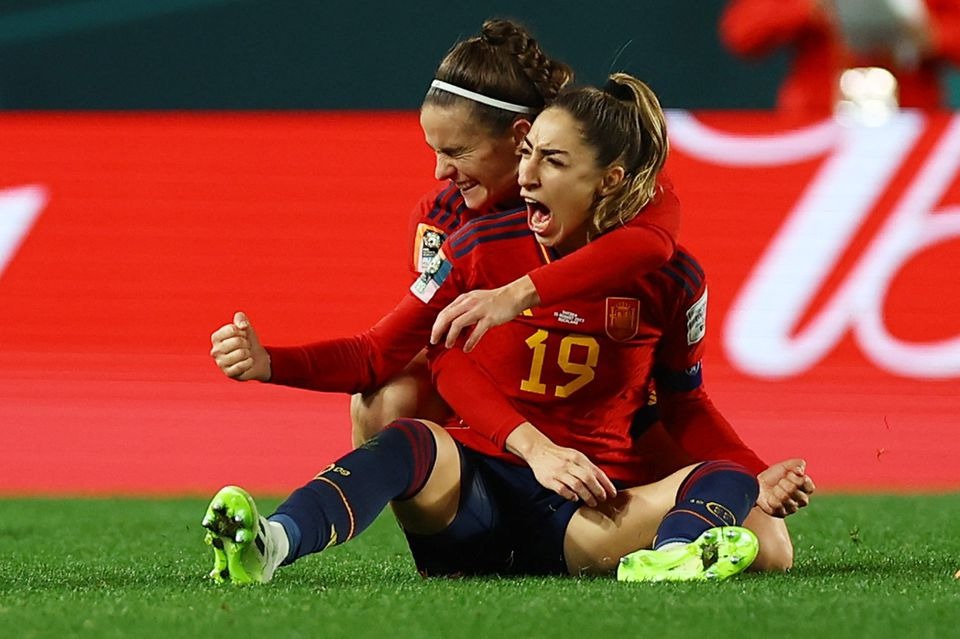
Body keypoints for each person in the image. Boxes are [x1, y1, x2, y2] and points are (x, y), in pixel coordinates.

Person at [210, 20, 812, 571]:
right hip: (496, 451)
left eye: (457, 151)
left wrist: (758, 475)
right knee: (391, 408)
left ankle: (669, 557)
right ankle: (276, 541)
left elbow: (661, 284)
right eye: (530, 160)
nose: (442, 172)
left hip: (598, 476)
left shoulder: (655, 247)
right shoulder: (464, 232)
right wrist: (271, 363)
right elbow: (404, 349)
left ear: (607, 179)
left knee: (762, 531)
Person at [719, 0, 960, 115]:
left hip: (910, 116)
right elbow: (741, 32)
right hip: (816, 117)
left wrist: (931, 34)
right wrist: (811, 7)